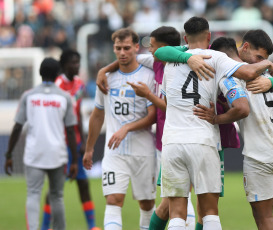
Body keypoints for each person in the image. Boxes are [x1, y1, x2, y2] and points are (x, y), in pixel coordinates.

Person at [158, 16, 273, 230]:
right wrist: (267, 62)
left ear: (185, 38)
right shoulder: (216, 57)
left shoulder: (169, 62)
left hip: (172, 142)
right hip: (202, 140)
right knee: (209, 213)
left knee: (176, 214)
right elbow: (249, 73)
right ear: (209, 36)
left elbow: (166, 101)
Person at [193, 35, 273, 230]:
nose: (260, 61)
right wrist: (272, 81)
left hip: (261, 156)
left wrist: (215, 118)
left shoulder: (231, 76)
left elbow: (241, 109)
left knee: (264, 218)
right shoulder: (267, 75)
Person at [96, 26, 197, 230]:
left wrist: (149, 96)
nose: (149, 50)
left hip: (183, 137)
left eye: (153, 46)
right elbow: (129, 59)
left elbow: (173, 107)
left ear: (165, 48)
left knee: (179, 198)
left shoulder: (185, 67)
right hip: (164, 141)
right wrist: (103, 70)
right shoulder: (155, 63)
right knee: (173, 199)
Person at [83, 28, 157, 230]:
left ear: (135, 47)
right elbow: (97, 115)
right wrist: (89, 149)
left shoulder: (148, 76)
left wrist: (126, 128)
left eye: (126, 48)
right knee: (114, 199)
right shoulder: (105, 78)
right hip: (114, 151)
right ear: (113, 49)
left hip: (143, 151)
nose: (122, 52)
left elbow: (152, 116)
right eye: (118, 48)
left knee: (147, 203)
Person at [4, 58, 78, 230]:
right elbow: (71, 131)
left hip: (34, 154)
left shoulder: (28, 96)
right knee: (57, 196)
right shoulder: (65, 97)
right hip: (57, 154)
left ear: (39, 73)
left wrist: (8, 155)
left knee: (33, 194)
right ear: (58, 74)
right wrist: (74, 160)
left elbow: (17, 127)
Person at [41, 49, 98, 230]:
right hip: (59, 143)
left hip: (76, 141)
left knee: (83, 183)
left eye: (78, 62)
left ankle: (92, 226)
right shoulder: (57, 86)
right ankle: (44, 226)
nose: (76, 66)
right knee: (55, 188)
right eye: (73, 63)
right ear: (63, 65)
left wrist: (83, 139)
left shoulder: (79, 84)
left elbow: (78, 114)